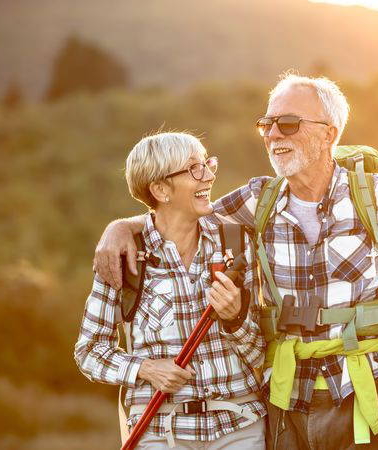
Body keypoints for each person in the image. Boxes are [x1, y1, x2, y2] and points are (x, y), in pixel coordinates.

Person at [94, 75, 378, 450]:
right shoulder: (259, 199)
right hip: (286, 401)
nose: (273, 134)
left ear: (329, 133)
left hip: (367, 394)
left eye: (287, 123)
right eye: (266, 124)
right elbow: (179, 215)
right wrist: (120, 226)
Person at [74, 132, 266, 449]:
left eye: (207, 163)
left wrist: (236, 319)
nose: (209, 174)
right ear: (161, 189)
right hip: (160, 431)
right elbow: (89, 352)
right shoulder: (123, 255)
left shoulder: (236, 242)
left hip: (240, 426)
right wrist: (145, 369)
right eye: (194, 168)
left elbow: (261, 353)